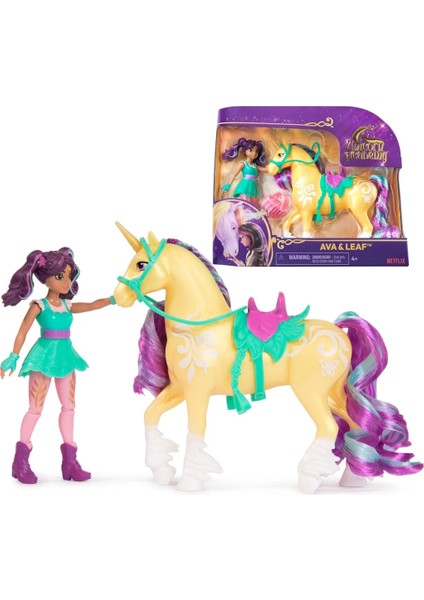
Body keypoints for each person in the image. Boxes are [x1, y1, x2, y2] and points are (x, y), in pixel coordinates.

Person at [0, 247, 115, 484]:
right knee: (35, 408)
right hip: (43, 357)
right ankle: (20, 461)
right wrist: (13, 356)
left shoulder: (67, 305)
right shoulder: (39, 306)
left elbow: (93, 305)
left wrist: (115, 299)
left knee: (69, 407)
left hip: (65, 357)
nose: (66, 282)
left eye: (69, 276)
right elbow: (22, 331)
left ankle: (70, 463)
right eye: (61, 276)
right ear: (46, 278)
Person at [221, 138, 267, 203]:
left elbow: (266, 169)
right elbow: (234, 174)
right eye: (251, 150)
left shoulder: (255, 166)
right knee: (245, 202)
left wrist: (276, 164)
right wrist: (228, 184)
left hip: (253, 187)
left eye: (256, 151)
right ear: (245, 150)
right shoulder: (243, 163)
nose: (254, 153)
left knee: (253, 203)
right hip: (245, 186)